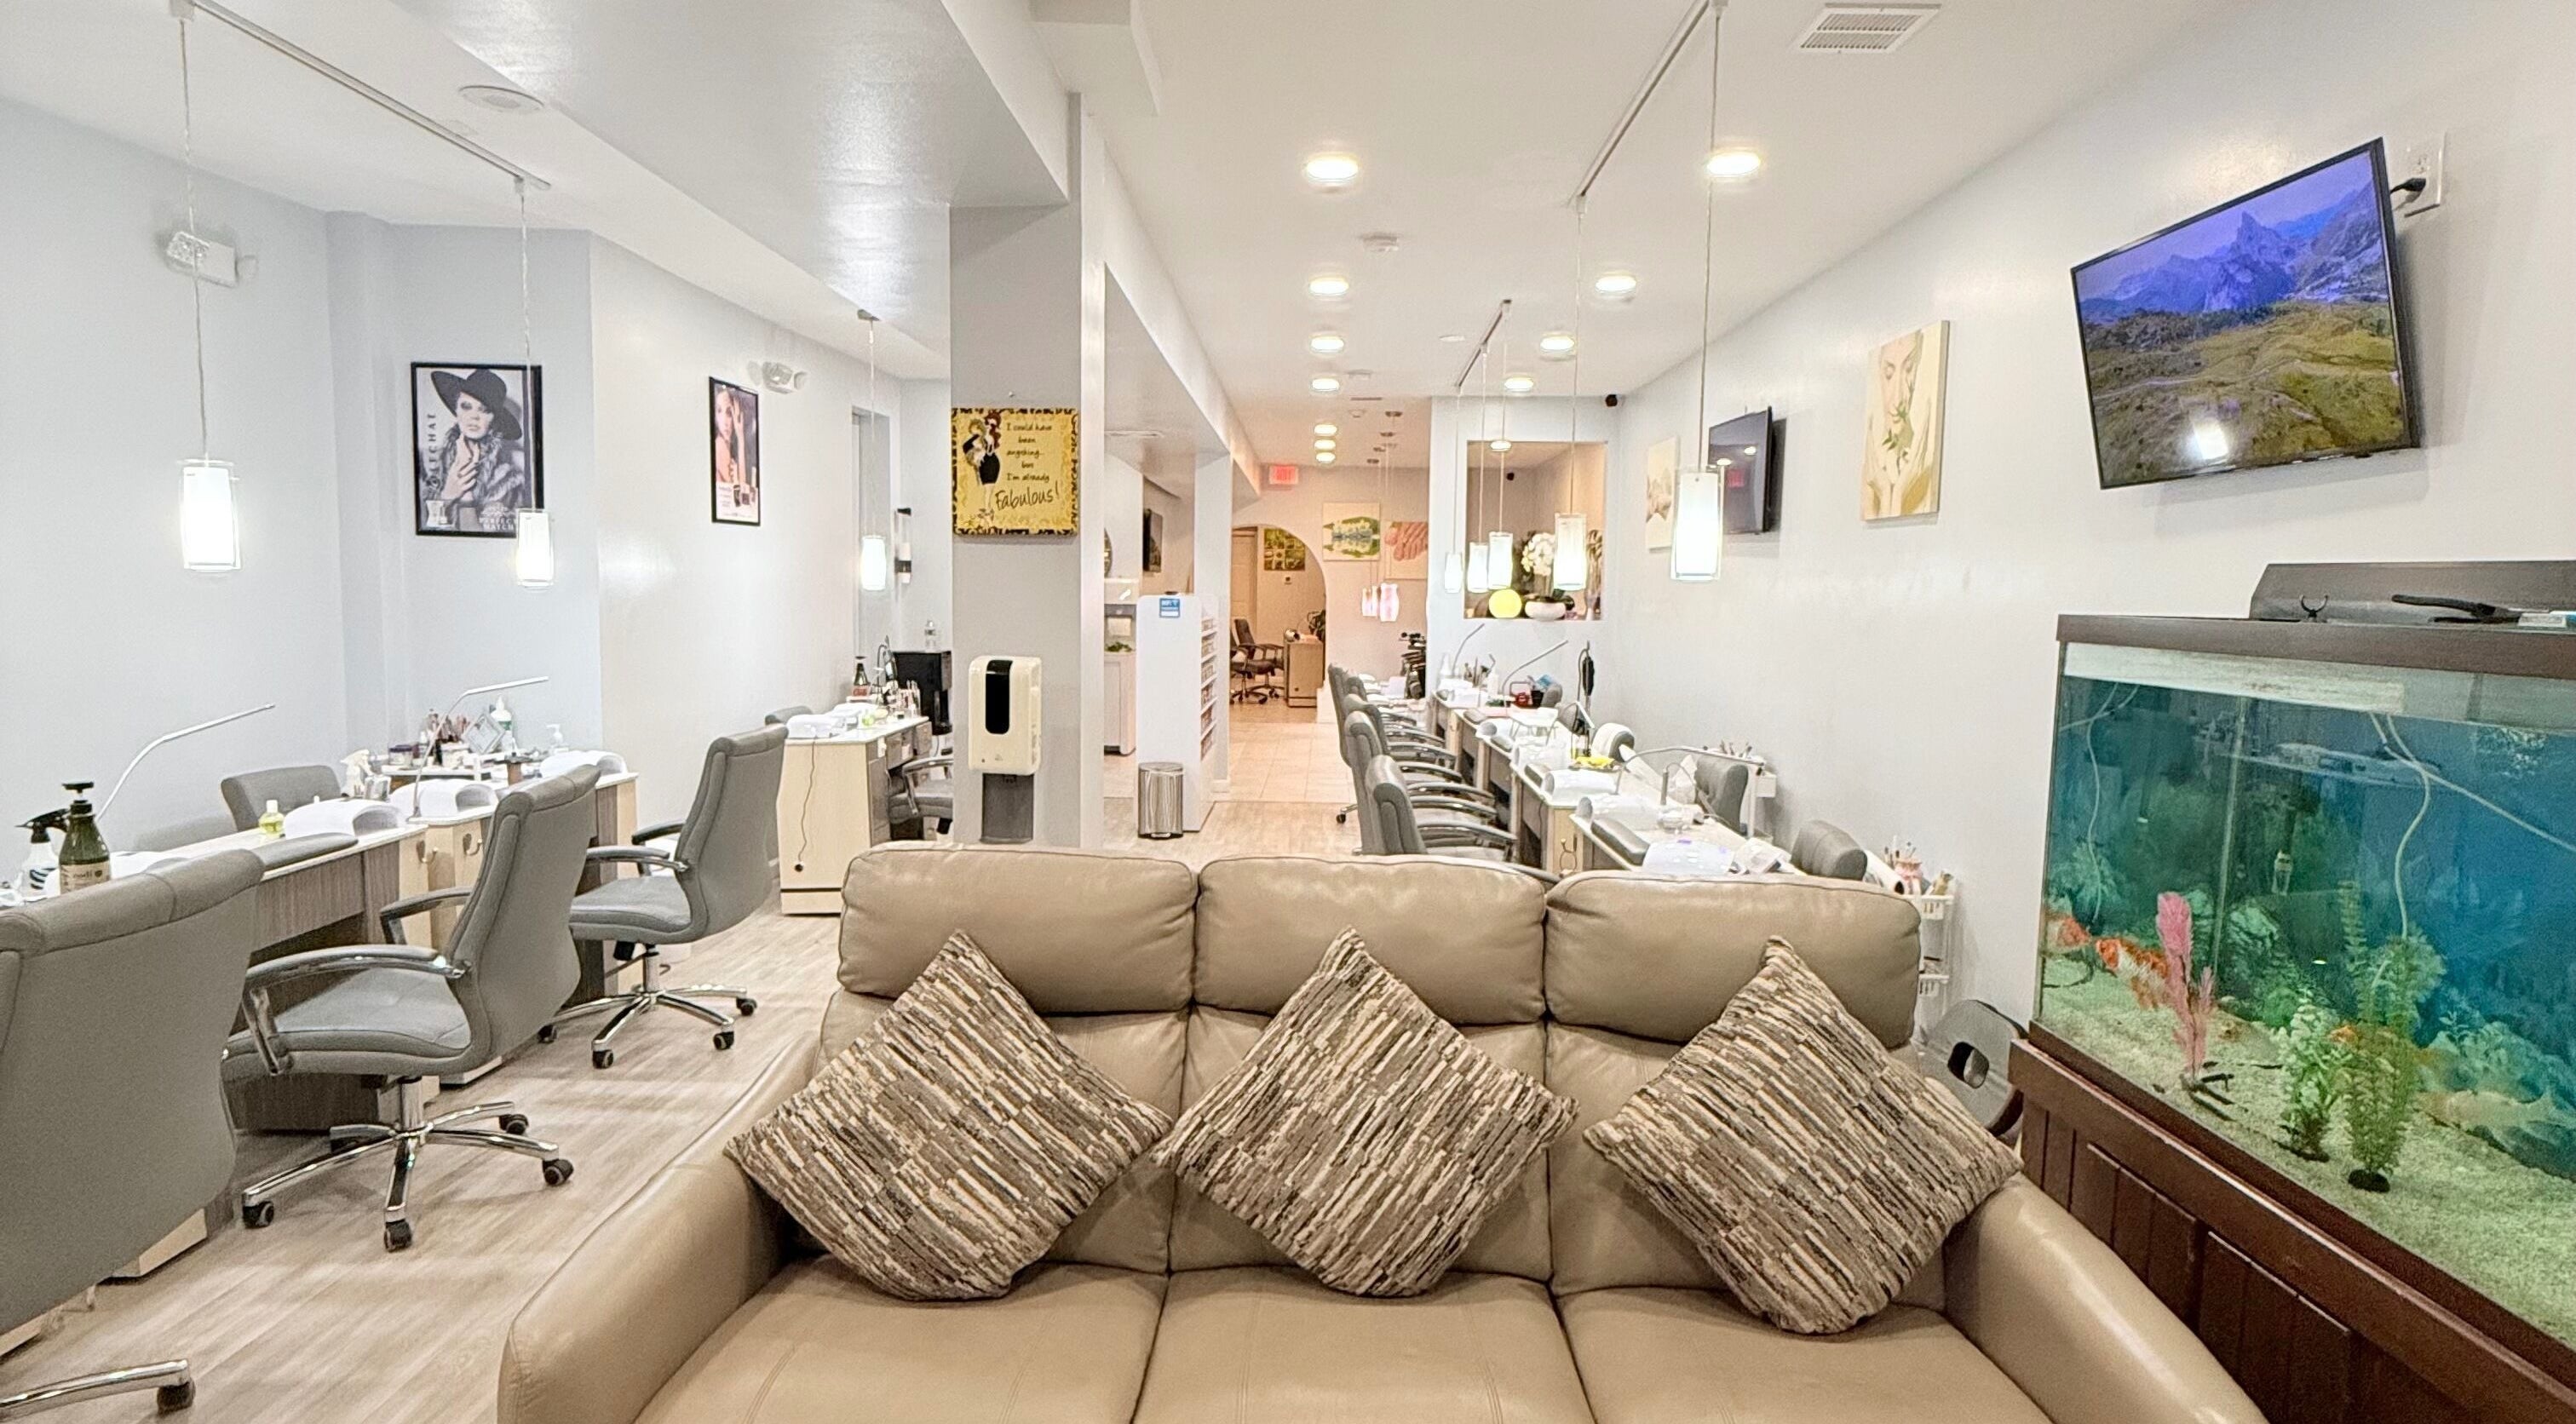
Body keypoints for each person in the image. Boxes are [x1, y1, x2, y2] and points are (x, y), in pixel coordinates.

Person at [420, 367, 532, 532]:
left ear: (494, 419)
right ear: (456, 410)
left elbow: (483, 541)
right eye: (466, 406)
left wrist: (466, 494)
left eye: (484, 410)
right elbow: (422, 532)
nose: (474, 416)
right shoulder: (428, 464)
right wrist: (447, 495)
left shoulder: (508, 480)